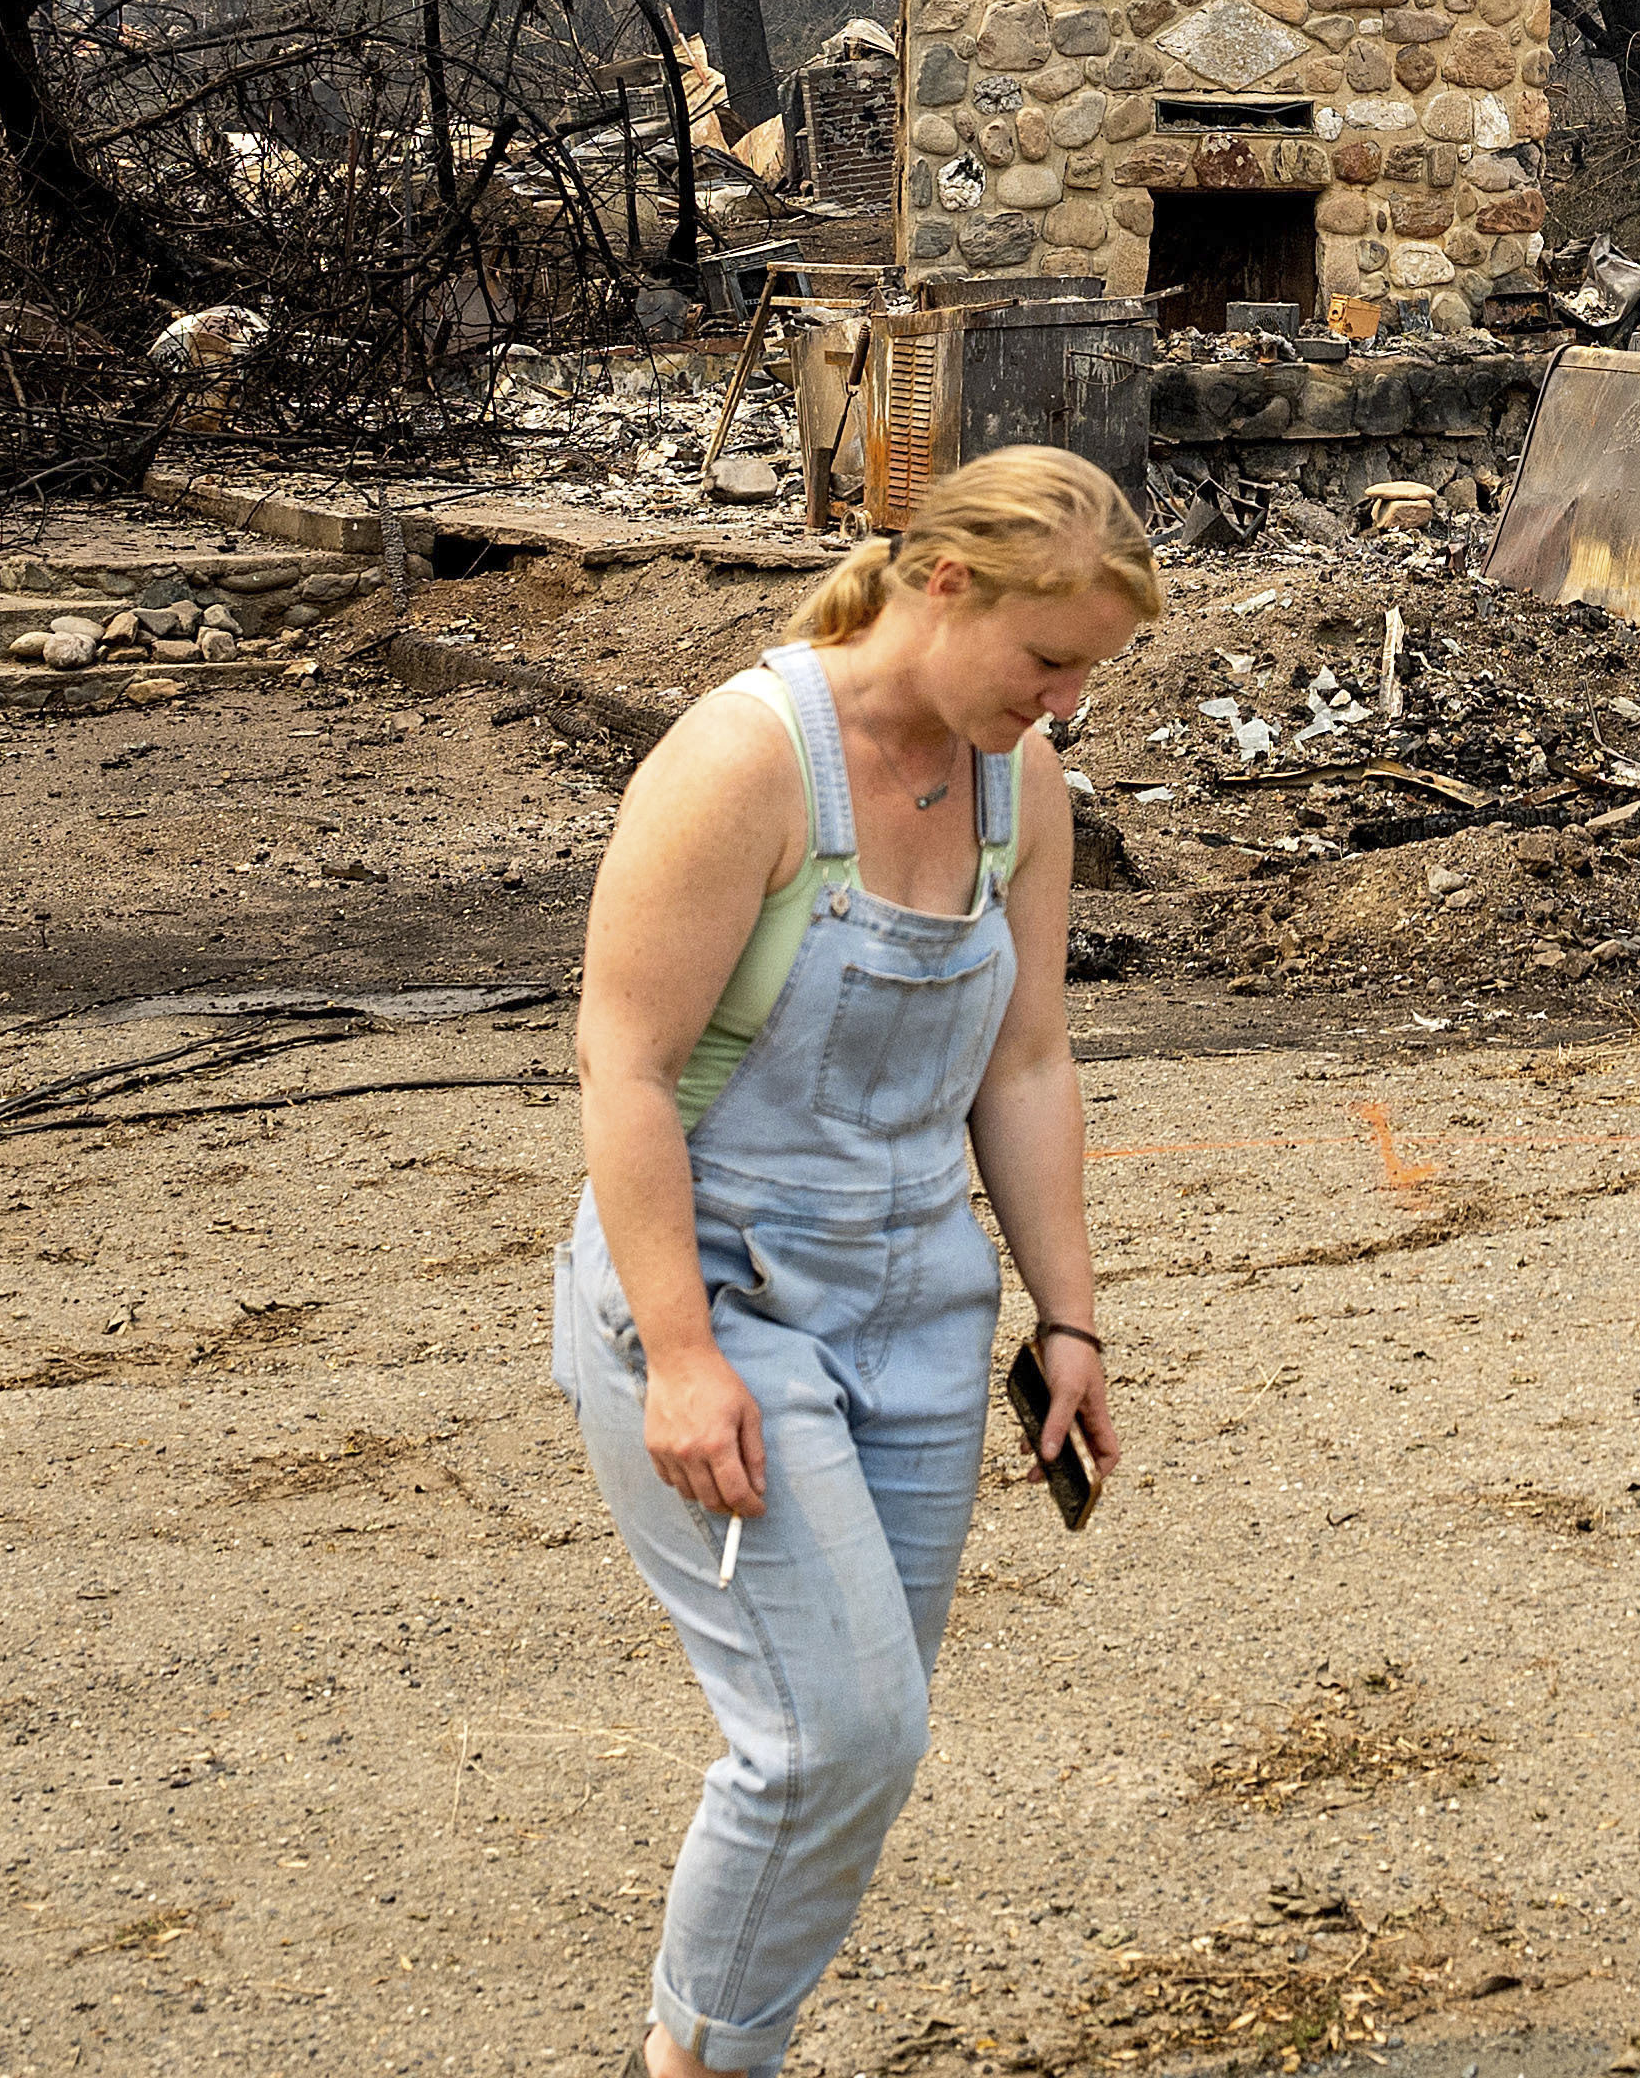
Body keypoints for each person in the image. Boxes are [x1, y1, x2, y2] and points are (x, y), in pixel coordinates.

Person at [554, 444, 1154, 2078]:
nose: (1065, 704)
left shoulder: (1022, 786)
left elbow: (1025, 1060)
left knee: (860, 1743)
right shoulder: (743, 762)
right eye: (1049, 661)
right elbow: (622, 1069)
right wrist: (681, 1356)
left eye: (1088, 675)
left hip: (918, 1310)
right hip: (720, 1294)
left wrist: (1071, 1319)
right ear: (944, 583)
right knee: (832, 1735)